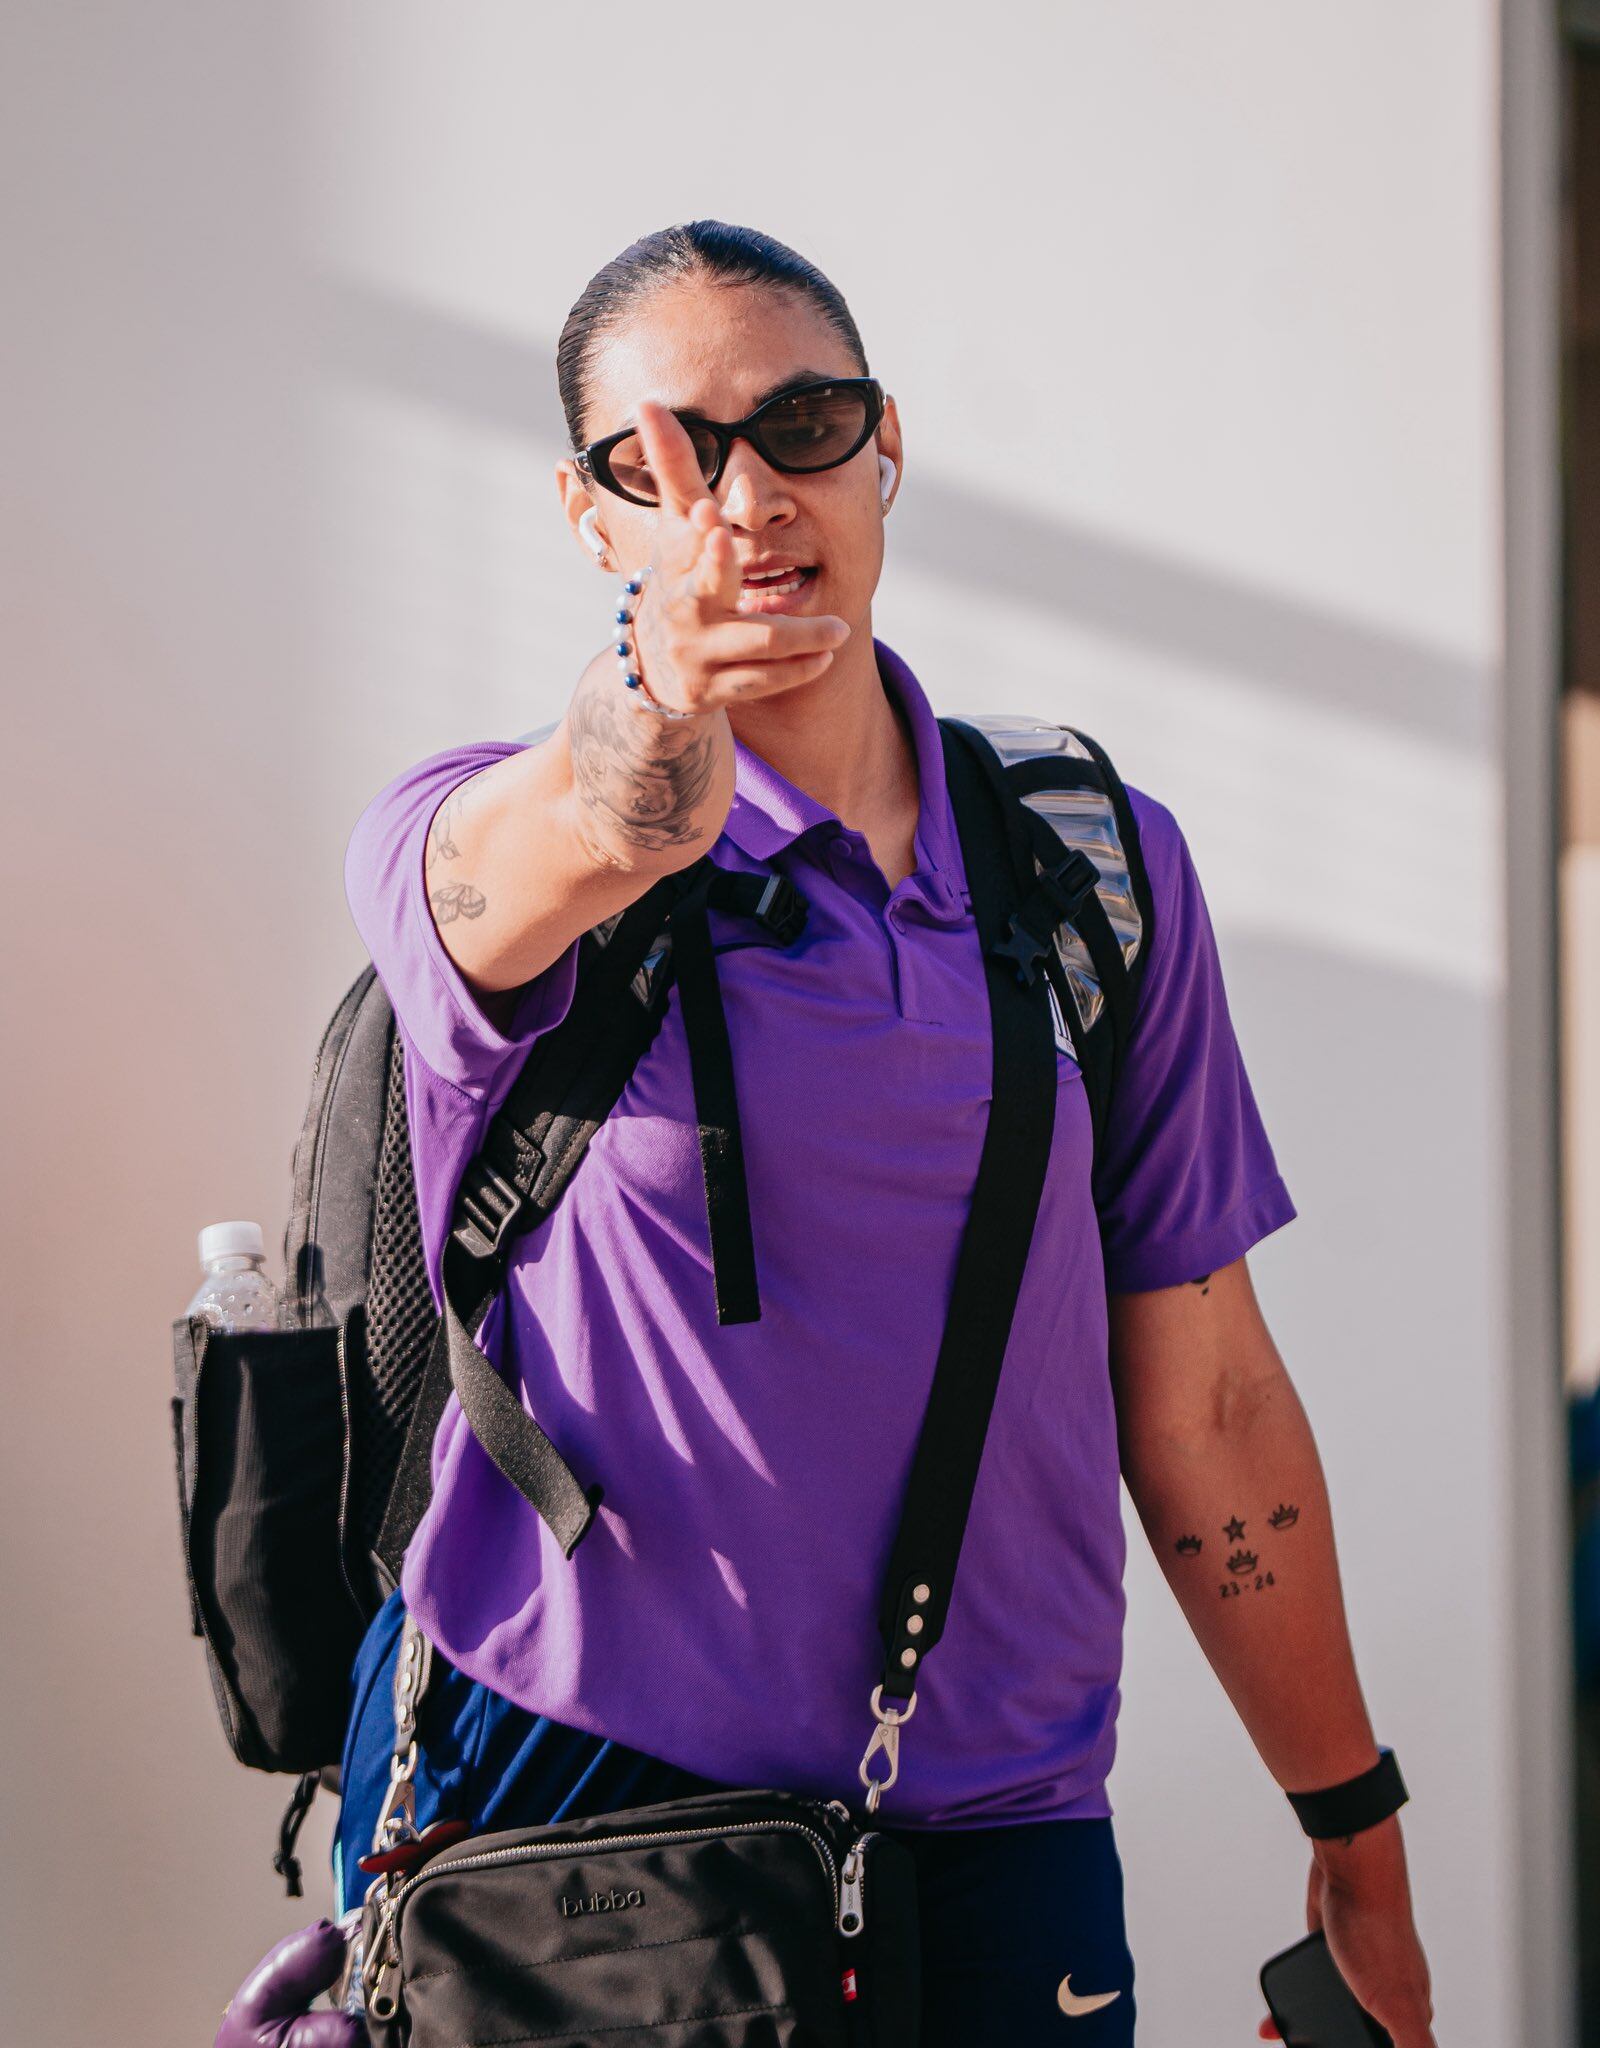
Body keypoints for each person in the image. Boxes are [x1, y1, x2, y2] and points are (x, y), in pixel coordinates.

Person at [227, 221, 1437, 2047]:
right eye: (672, 452)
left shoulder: (1090, 865)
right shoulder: (483, 852)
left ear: (885, 449)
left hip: (1002, 1834)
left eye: (803, 424)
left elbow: (1205, 1401)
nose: (748, 494)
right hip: (571, 1810)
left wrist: (1354, 1831)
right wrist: (662, 699)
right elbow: (590, 821)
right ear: (590, 514)